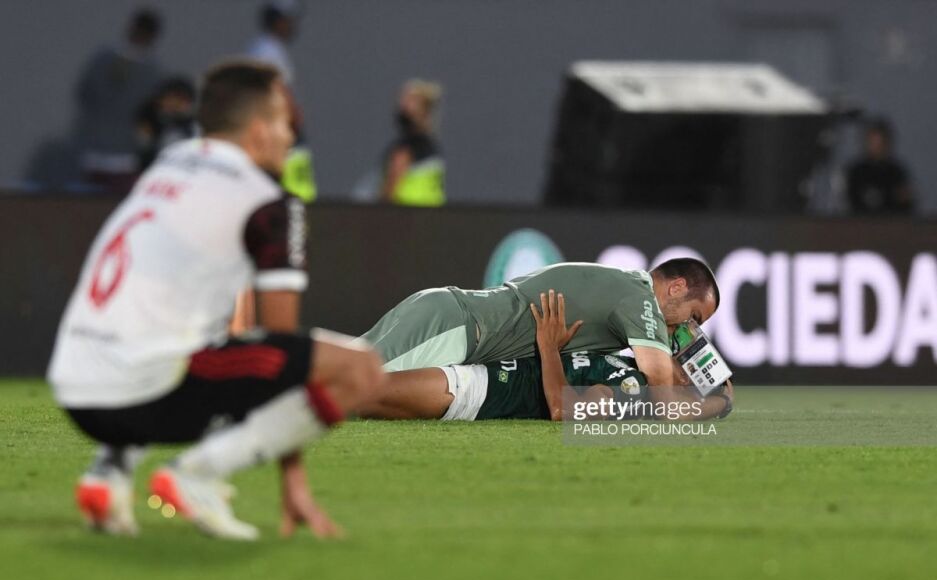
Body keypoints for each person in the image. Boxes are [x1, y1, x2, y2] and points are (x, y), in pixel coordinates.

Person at [47, 61, 385, 541]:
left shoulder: (171, 162)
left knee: (188, 330)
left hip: (74, 384)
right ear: (259, 131)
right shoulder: (269, 202)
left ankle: (108, 474)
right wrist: (292, 477)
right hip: (142, 393)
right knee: (361, 369)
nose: (291, 137)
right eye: (284, 123)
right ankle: (197, 475)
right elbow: (285, 353)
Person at [361, 291, 732, 422]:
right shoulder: (631, 360)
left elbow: (562, 409)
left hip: (483, 388)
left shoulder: (633, 392)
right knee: (355, 370)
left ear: (686, 383)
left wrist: (550, 348)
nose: (681, 342)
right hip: (483, 351)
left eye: (690, 359)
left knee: (363, 391)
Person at [362, 258, 719, 388]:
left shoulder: (627, 290)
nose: (686, 330)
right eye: (694, 318)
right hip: (455, 325)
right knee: (349, 383)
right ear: (676, 287)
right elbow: (658, 380)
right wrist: (699, 367)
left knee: (344, 366)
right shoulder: (639, 298)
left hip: (447, 314)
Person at [74, 8, 165, 192]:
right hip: (96, 151)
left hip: (126, 157)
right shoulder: (104, 60)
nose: (140, 36)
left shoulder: (153, 74)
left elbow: (152, 115)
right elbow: (85, 94)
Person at [245, 0, 316, 203]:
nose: (292, 26)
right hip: (272, 133)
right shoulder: (268, 50)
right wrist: (294, 120)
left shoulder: (264, 47)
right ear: (278, 20)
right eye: (289, 20)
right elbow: (277, 88)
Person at [379, 79, 445, 207]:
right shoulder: (433, 149)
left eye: (411, 102)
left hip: (407, 215)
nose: (403, 106)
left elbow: (389, 191)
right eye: (403, 101)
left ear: (425, 110)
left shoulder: (406, 149)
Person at [845, 117, 915, 215]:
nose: (876, 147)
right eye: (873, 142)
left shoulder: (896, 172)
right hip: (861, 222)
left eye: (880, 143)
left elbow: (906, 204)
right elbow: (850, 203)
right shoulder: (856, 172)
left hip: (891, 221)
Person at [135, 76, 197, 171]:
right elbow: (143, 146)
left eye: (181, 100)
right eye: (171, 98)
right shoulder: (148, 117)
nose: (175, 104)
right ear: (160, 99)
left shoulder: (192, 126)